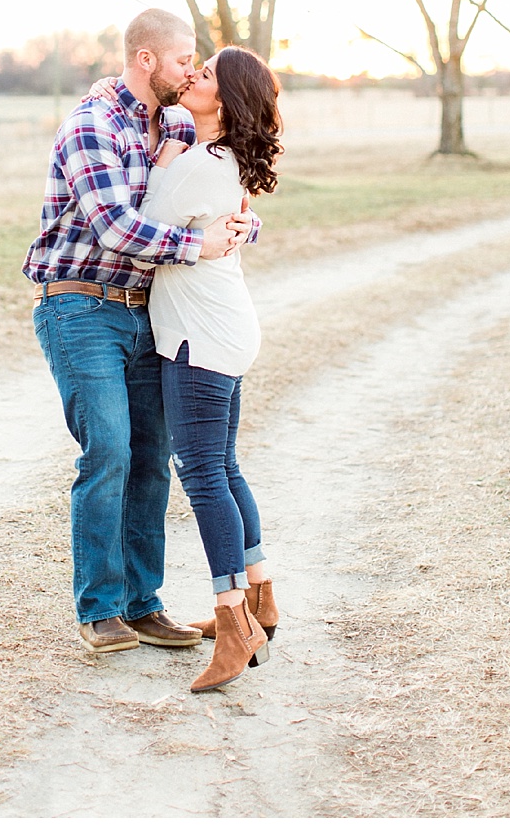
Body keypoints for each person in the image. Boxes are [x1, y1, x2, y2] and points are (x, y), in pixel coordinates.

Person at [26, 9, 258, 656]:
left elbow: (220, 189)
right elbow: (117, 229)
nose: (194, 71)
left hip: (146, 309)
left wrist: (242, 228)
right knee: (111, 451)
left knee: (153, 455)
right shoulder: (89, 124)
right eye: (186, 59)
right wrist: (199, 243)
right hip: (81, 306)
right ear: (149, 59)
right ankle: (99, 609)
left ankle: (142, 603)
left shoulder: (180, 122)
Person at [139, 46, 283, 693]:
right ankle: (259, 598)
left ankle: (233, 623)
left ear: (223, 100)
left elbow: (142, 226)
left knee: (201, 474)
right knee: (222, 467)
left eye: (206, 75)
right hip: (224, 327)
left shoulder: (200, 163)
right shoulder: (225, 163)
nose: (193, 77)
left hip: (201, 335)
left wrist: (165, 155)